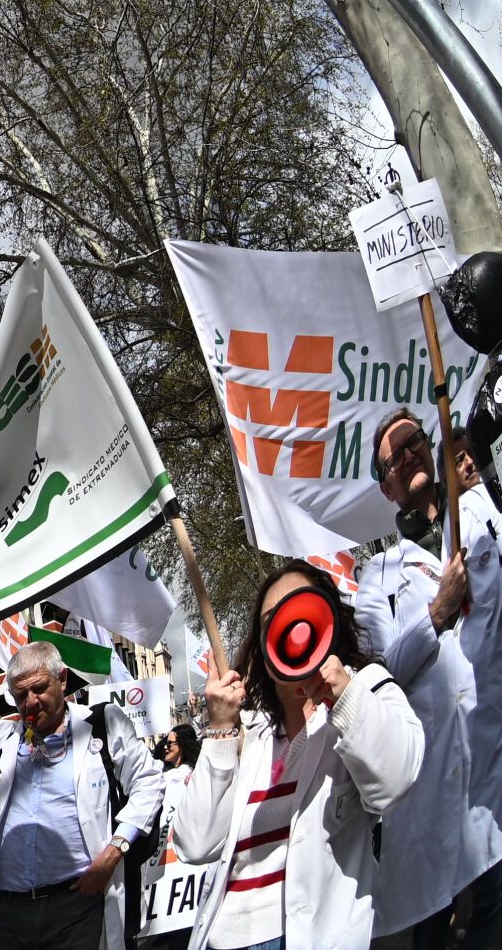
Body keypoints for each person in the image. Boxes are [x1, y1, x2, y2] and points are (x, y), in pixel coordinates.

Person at [175, 561, 424, 950]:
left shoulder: (366, 690)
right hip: (224, 938)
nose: (288, 625)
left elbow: (394, 783)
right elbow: (193, 844)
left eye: (300, 607)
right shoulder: (250, 733)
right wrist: (221, 730)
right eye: (271, 620)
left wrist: (344, 696)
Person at [0, 641, 166, 950]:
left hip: (76, 907)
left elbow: (149, 782)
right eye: (20, 695)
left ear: (62, 679)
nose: (31, 702)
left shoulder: (99, 725)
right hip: (7, 913)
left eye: (39, 688)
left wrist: (114, 852)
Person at [354, 407, 502, 949]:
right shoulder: (379, 577)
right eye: (393, 457)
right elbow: (380, 674)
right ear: (388, 489)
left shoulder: (482, 513)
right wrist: (436, 613)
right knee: (434, 930)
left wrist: (479, 492)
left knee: (494, 914)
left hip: (494, 769)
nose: (407, 454)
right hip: (434, 788)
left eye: (413, 441)